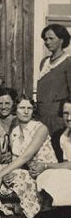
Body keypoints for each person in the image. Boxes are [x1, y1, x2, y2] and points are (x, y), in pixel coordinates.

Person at [0, 95, 58, 218]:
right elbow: (16, 160)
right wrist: (7, 173)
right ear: (15, 110)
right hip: (28, 170)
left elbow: (26, 156)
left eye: (30, 108)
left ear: (33, 110)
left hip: (45, 170)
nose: (26, 111)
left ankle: (33, 208)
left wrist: (1, 175)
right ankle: (20, 205)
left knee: (6, 175)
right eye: (22, 108)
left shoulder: (40, 128)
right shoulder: (14, 132)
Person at [37, 24, 71, 161]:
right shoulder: (44, 62)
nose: (47, 42)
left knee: (58, 155)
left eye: (51, 38)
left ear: (62, 40)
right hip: (41, 117)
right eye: (45, 39)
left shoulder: (68, 62)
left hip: (57, 120)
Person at [32, 99, 71, 207]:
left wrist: (45, 165)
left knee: (56, 174)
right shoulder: (58, 136)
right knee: (47, 175)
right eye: (66, 113)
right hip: (65, 171)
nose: (69, 118)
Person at [0, 88, 18, 164]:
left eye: (7, 103)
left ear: (13, 103)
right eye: (0, 103)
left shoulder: (19, 122)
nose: (3, 107)